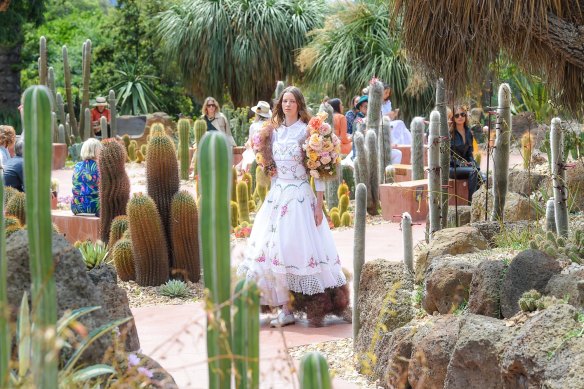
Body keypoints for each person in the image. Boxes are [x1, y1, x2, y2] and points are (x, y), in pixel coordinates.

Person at [237, 86, 347, 327]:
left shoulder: (308, 132)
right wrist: (268, 170)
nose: (287, 105)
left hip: (299, 195)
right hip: (277, 195)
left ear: (299, 105)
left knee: (298, 250)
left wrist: (319, 204)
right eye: (284, 101)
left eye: (292, 101)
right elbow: (267, 163)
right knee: (274, 252)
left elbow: (317, 170)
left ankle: (321, 304)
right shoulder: (273, 132)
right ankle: (285, 308)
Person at [449, 106, 479, 201]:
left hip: (466, 167)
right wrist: (461, 164)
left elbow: (470, 153)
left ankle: (479, 203)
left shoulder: (468, 132)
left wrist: (472, 162)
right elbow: (448, 156)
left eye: (462, 114)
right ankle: (472, 203)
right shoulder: (450, 133)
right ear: (453, 118)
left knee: (483, 177)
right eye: (457, 115)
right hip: (453, 168)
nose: (460, 117)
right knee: (474, 171)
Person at [71, 138, 102, 215]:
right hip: (93, 206)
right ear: (97, 150)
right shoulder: (99, 166)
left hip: (76, 206)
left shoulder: (77, 165)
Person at [240, 100, 272, 172]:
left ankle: (241, 168)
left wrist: (248, 145)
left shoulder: (254, 126)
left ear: (257, 114)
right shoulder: (271, 126)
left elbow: (250, 141)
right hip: (268, 154)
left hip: (257, 153)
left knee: (248, 153)